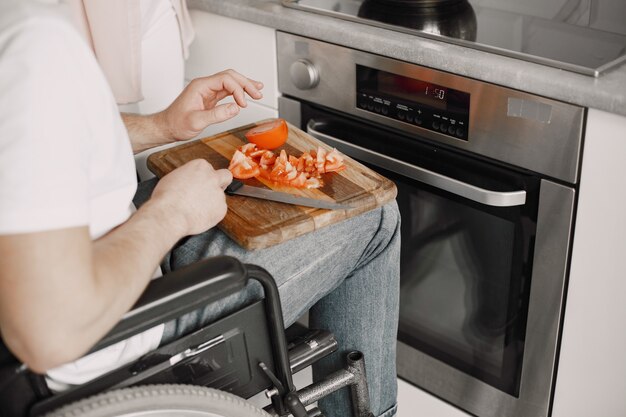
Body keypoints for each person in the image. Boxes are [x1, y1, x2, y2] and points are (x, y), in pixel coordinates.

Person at [0, 2, 401, 417]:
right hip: (114, 344)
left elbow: (49, 135)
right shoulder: (35, 44)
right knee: (375, 218)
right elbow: (51, 332)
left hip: (107, 263)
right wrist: (169, 215)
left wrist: (162, 126)